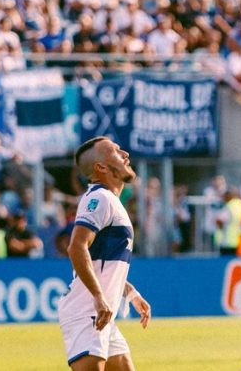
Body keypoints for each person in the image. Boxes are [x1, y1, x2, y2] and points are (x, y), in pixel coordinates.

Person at [58, 137, 152, 370]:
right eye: (115, 152)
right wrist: (99, 298)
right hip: (88, 312)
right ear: (100, 167)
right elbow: (77, 247)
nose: (125, 154)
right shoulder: (99, 198)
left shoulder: (109, 200)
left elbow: (102, 264)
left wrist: (130, 293)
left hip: (101, 314)